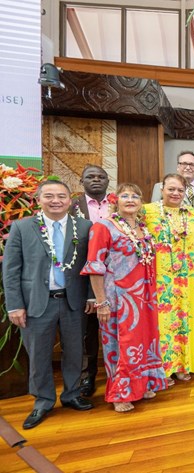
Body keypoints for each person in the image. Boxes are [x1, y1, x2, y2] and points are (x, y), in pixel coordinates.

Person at [3, 180, 94, 429]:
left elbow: (91, 265)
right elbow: (11, 270)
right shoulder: (22, 227)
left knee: (75, 351)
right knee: (39, 355)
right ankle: (43, 400)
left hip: (73, 301)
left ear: (69, 200)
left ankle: (72, 394)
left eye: (61, 196)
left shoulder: (84, 227)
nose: (56, 200)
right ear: (38, 199)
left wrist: (91, 295)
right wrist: (14, 305)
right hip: (36, 303)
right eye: (50, 196)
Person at [81, 183, 169, 412]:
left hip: (145, 297)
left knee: (144, 343)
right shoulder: (103, 227)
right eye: (125, 196)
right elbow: (95, 266)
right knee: (121, 346)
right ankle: (121, 393)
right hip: (118, 298)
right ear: (115, 200)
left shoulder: (142, 227)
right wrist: (101, 301)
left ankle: (143, 384)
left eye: (135, 196)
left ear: (141, 203)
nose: (130, 199)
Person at [143, 173, 194, 382]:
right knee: (163, 326)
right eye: (171, 189)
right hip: (159, 279)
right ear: (162, 189)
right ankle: (162, 370)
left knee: (183, 324)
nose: (175, 193)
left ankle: (182, 365)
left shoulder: (192, 213)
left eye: (180, 190)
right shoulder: (147, 211)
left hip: (185, 279)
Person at [72, 164, 111, 397]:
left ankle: (117, 372)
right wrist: (91, 292)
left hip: (116, 279)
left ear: (107, 181)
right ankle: (88, 376)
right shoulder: (72, 206)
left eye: (101, 177)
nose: (96, 180)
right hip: (84, 278)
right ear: (81, 181)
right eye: (90, 177)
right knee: (88, 331)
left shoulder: (118, 204)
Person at [151, 151, 194, 216]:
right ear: (178, 167)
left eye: (192, 164)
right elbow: (154, 212)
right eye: (184, 164)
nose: (188, 167)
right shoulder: (160, 186)